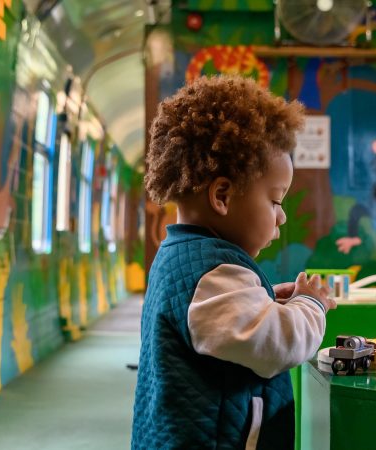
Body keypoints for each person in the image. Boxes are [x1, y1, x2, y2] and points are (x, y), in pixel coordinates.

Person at [132, 75, 337, 450]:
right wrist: (311, 305)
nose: (282, 217)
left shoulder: (182, 256)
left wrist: (265, 300)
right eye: (276, 201)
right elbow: (275, 345)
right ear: (223, 195)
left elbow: (224, 324)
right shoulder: (211, 272)